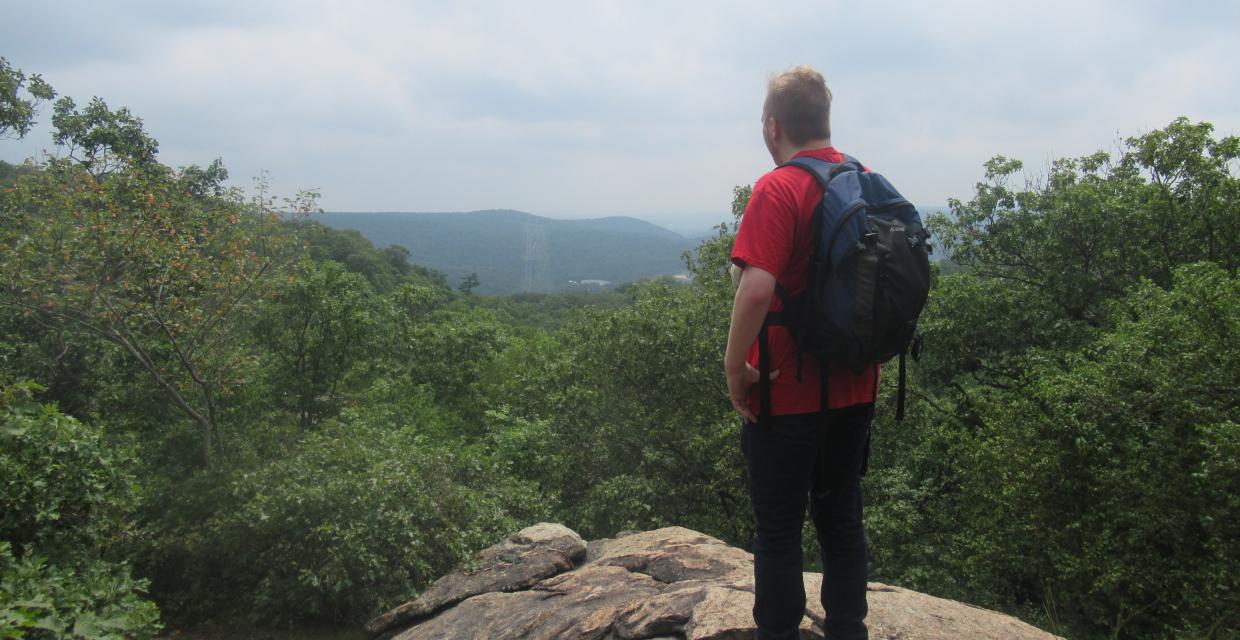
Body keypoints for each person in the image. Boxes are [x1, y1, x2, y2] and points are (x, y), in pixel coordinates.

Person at [724, 66, 878, 640]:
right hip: (857, 387)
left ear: (772, 126)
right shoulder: (864, 178)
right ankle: (847, 628)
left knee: (780, 527)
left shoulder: (778, 187)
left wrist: (734, 367)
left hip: (784, 391)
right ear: (825, 121)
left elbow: (757, 288)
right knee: (841, 517)